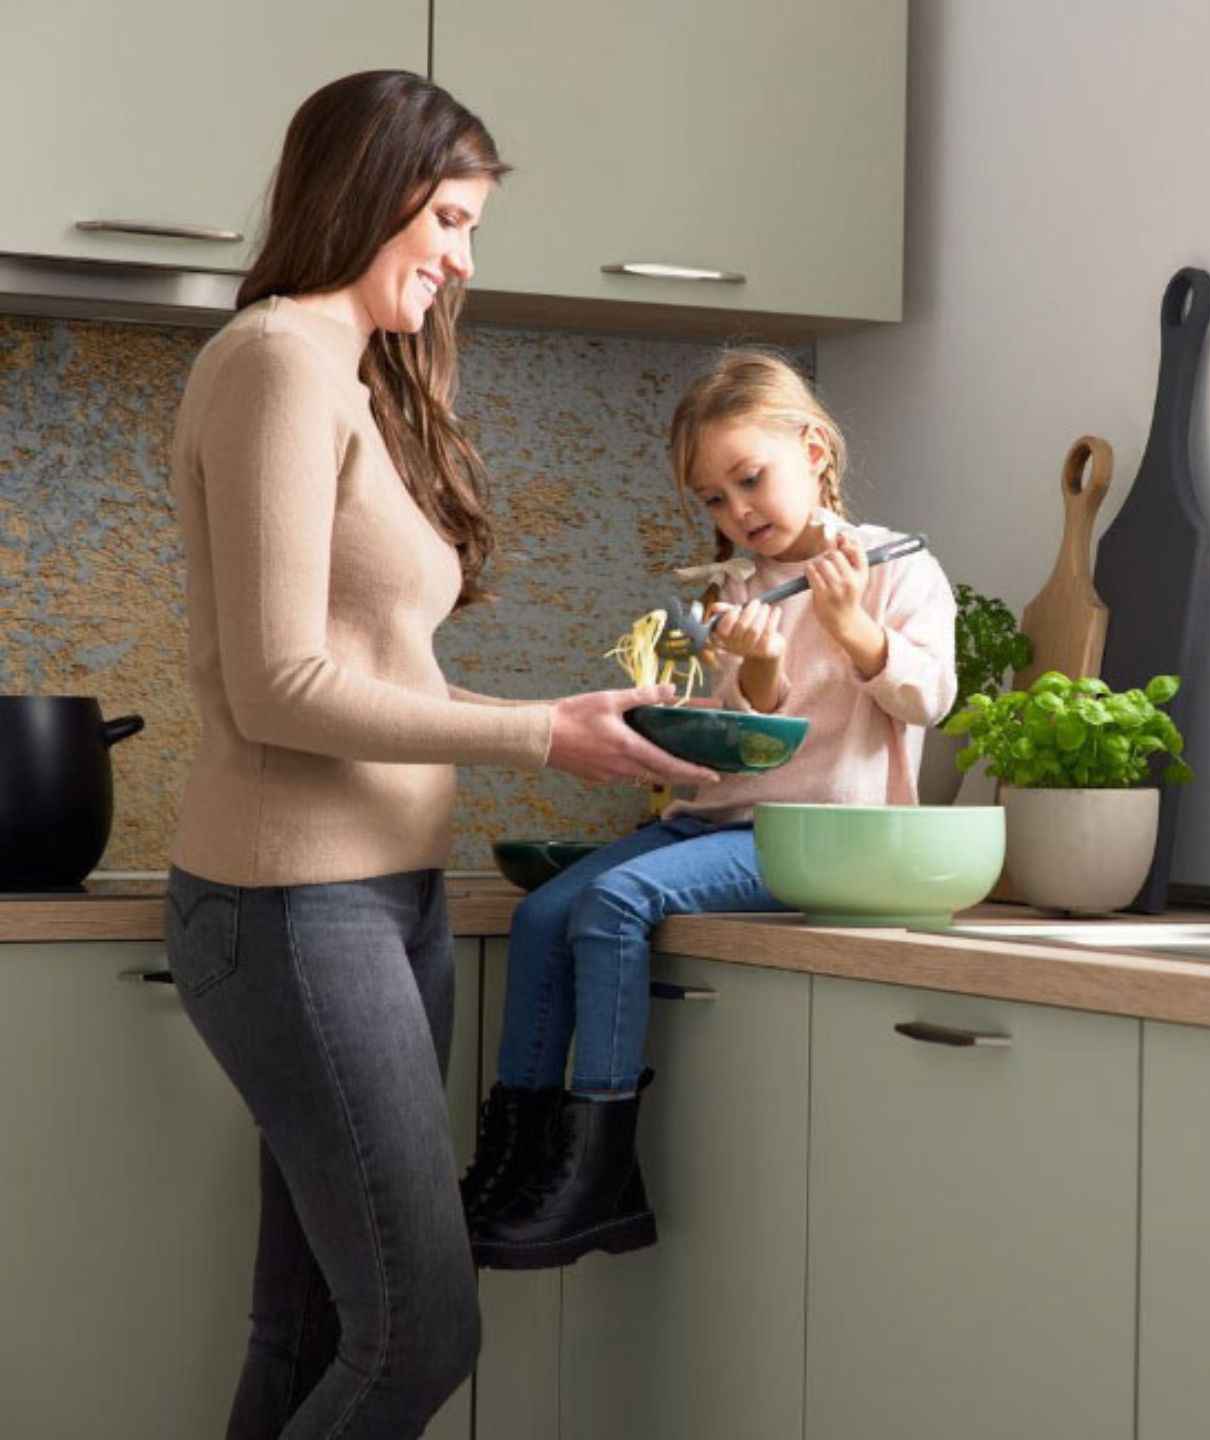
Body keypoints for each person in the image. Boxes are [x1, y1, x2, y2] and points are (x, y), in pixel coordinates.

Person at [162, 69, 717, 1440]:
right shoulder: (278, 359)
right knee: (421, 1330)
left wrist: (561, 720)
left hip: (377, 901)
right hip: (294, 910)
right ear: (373, 193)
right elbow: (283, 686)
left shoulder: (347, 380)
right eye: (451, 221)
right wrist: (542, 733)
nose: (464, 260)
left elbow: (369, 668)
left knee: (310, 1333)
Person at [465, 349, 958, 1270]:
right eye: (714, 500)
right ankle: (518, 1164)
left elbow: (926, 701)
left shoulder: (898, 568)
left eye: (749, 480)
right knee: (541, 915)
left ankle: (599, 1172)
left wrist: (853, 628)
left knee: (612, 904)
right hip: (715, 821)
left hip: (821, 837)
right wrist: (756, 667)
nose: (738, 515)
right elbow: (742, 732)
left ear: (814, 450)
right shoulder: (734, 589)